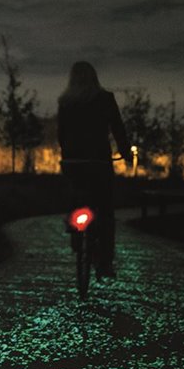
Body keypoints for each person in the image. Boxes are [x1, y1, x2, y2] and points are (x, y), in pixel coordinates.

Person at [57, 61, 131, 277]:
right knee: (105, 210)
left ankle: (74, 230)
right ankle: (105, 262)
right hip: (98, 161)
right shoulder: (105, 99)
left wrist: (67, 154)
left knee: (75, 195)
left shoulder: (65, 102)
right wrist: (125, 152)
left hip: (73, 162)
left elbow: (61, 134)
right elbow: (117, 128)